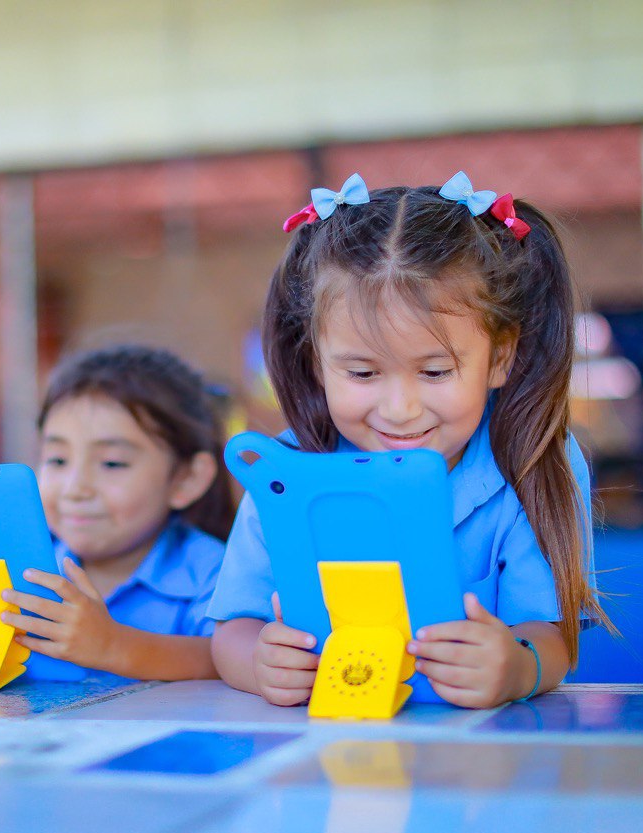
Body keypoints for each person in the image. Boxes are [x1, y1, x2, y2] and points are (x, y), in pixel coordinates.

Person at [209, 172, 612, 709]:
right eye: (363, 374)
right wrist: (261, 663)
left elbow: (550, 636)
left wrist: (516, 665)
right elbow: (234, 628)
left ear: (499, 357)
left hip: (484, 771)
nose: (400, 410)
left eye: (435, 372)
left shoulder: (535, 460)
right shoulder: (285, 473)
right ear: (316, 362)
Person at [0, 344, 233, 681]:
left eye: (113, 463)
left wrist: (113, 646)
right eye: (57, 459)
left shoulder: (213, 574)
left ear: (187, 479)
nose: (75, 488)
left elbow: (229, 663)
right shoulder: (8, 567)